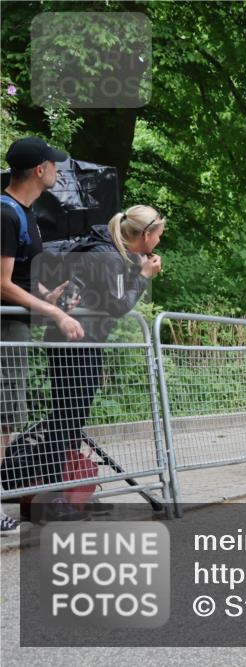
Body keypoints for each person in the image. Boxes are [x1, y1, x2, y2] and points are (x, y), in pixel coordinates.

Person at [31, 206, 165, 520]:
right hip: (76, 342)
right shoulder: (106, 255)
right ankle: (49, 497)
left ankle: (65, 492)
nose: (160, 240)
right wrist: (144, 277)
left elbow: (107, 296)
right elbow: (118, 305)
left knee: (70, 420)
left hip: (79, 340)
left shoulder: (108, 252)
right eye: (159, 233)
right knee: (67, 420)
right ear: (145, 235)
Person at [0, 138, 85, 532]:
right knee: (3, 419)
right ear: (40, 170)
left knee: (7, 417)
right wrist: (51, 310)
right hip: (4, 326)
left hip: (15, 323)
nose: (58, 170)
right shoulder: (6, 214)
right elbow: (1, 284)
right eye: (54, 164)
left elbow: (16, 281)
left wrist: (48, 296)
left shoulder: (25, 214)